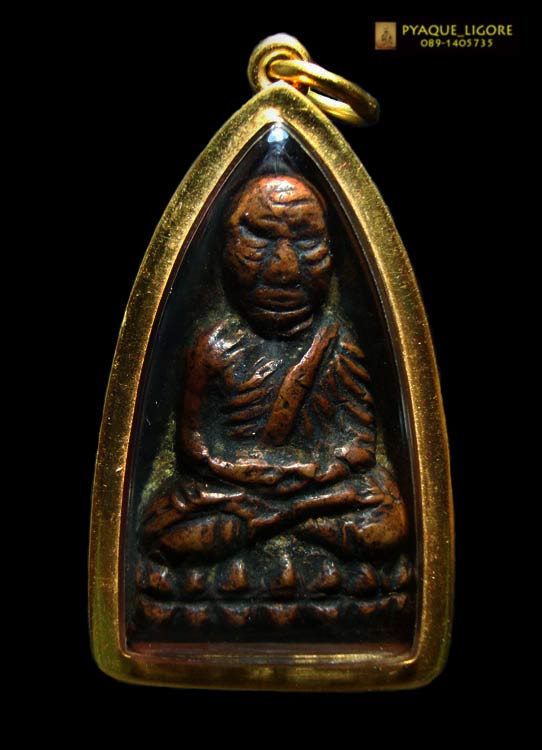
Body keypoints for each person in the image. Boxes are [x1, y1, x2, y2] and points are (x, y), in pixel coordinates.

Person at [135, 174, 412, 636]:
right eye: (259, 242)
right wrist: (251, 473)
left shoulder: (338, 343)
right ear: (225, 252)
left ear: (332, 255)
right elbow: (194, 449)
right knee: (165, 521)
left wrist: (308, 475)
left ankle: (274, 528)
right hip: (236, 490)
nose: (283, 269)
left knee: (387, 516)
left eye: (306, 244)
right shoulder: (214, 345)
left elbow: (360, 446)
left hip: (314, 490)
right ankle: (291, 532)